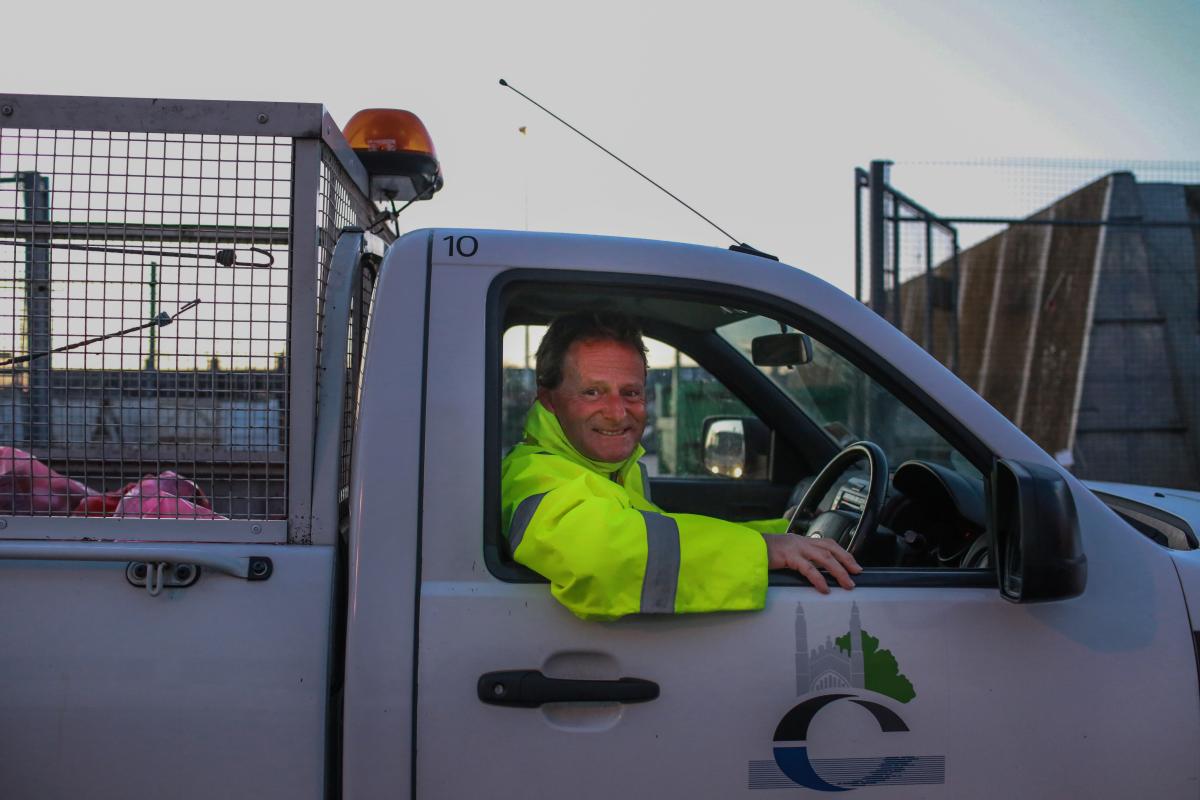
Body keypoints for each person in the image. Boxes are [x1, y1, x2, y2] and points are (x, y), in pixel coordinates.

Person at [501, 311, 862, 621]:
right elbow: (607, 556)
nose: (617, 413)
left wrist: (788, 531)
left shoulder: (604, 469)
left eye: (631, 393)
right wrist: (764, 550)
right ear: (548, 400)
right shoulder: (531, 476)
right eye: (592, 392)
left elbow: (665, 538)